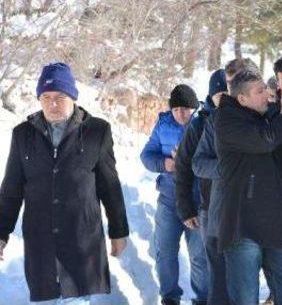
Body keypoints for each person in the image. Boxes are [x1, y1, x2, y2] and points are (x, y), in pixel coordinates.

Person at [0, 62, 129, 304]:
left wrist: (118, 231)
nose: (53, 103)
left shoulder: (96, 132)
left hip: (82, 244)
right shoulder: (22, 135)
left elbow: (109, 185)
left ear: (73, 96)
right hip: (41, 244)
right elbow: (10, 191)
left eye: (60, 96)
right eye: (46, 97)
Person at [214, 69, 282, 304]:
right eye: (259, 91)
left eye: (266, 89)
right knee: (245, 299)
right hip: (243, 225)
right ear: (242, 99)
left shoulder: (272, 116)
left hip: (281, 224)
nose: (267, 95)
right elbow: (264, 140)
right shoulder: (226, 119)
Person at [140, 84, 208, 305]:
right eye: (176, 109)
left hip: (197, 200)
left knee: (199, 255)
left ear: (194, 107)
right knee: (165, 252)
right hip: (169, 199)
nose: (180, 114)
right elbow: (147, 155)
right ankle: (169, 297)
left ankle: (202, 299)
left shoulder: (205, 124)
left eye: (185, 109)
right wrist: (164, 163)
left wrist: (188, 160)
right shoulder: (163, 124)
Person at [175, 68, 229, 305]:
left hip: (239, 207)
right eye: (220, 95)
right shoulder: (198, 125)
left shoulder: (244, 119)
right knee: (213, 266)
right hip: (207, 206)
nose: (225, 99)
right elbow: (184, 167)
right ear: (211, 96)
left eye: (229, 93)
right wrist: (186, 208)